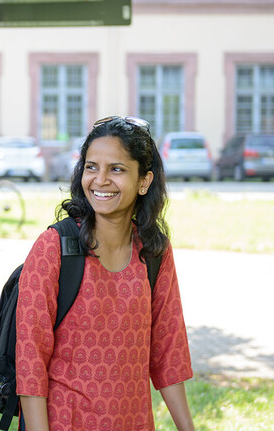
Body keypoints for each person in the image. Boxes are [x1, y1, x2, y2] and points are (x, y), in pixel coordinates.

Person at [15, 116, 196, 430]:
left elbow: (170, 354)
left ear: (144, 181)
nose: (100, 180)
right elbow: (30, 359)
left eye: (117, 169)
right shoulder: (53, 248)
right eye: (91, 166)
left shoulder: (154, 252)